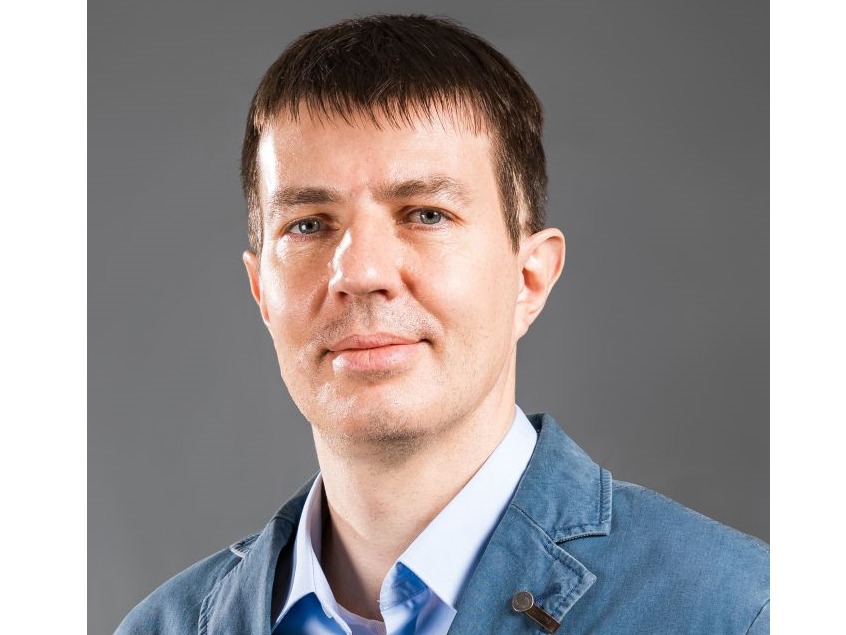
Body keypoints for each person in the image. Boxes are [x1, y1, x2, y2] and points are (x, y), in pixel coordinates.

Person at [116, 14, 769, 635]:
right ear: (262, 291)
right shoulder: (161, 626)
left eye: (425, 214)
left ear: (529, 277)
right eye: (309, 224)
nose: (361, 271)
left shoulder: (737, 612)